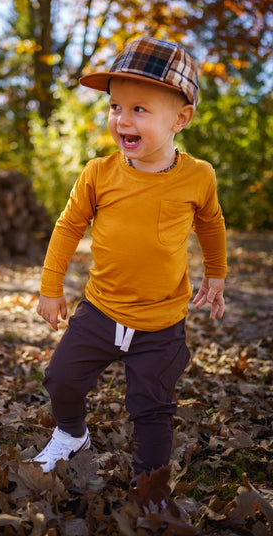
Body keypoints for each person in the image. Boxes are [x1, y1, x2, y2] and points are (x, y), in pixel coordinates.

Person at [29, 36, 227, 487]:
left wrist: (216, 273)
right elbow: (67, 227)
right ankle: (71, 433)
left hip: (161, 322)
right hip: (100, 310)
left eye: (140, 109)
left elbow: (211, 225)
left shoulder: (199, 176)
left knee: (151, 407)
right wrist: (51, 287)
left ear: (181, 118)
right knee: (60, 378)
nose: (122, 119)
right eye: (116, 106)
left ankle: (150, 486)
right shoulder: (99, 173)